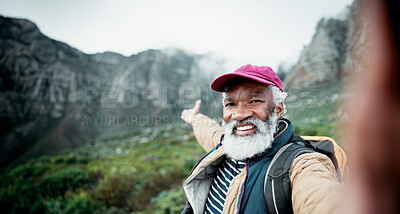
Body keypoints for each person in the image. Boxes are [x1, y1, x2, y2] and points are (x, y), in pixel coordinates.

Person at [180, 64, 342, 214]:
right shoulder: (226, 145)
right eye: (231, 104)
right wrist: (194, 118)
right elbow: (210, 132)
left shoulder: (301, 164)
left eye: (255, 101)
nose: (239, 114)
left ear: (278, 109)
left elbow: (321, 197)